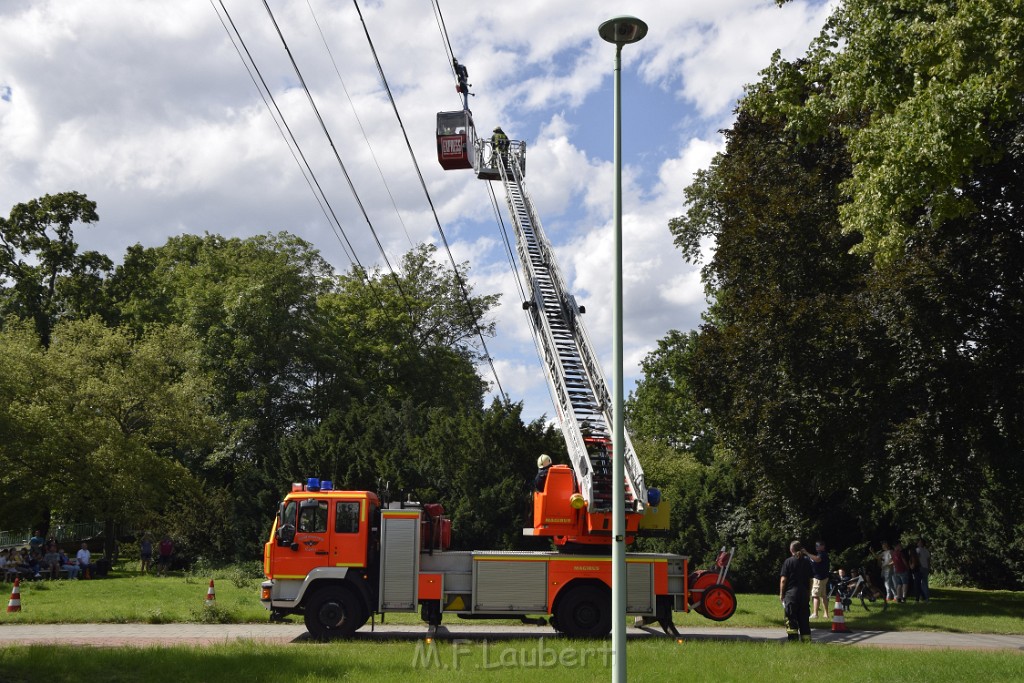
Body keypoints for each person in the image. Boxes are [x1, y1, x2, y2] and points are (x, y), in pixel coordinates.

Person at [779, 540, 813, 642]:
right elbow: (810, 580)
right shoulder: (807, 561)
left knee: (791, 617)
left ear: (791, 549)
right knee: (804, 618)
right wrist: (809, 592)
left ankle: (793, 641)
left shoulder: (788, 561)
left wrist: (781, 594)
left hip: (791, 594)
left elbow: (783, 580)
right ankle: (806, 640)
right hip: (803, 593)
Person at [808, 541, 830, 619]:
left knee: (815, 595)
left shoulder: (822, 554)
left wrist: (807, 553)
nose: (817, 547)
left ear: (823, 546)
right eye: (816, 546)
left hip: (819, 578)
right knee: (823, 596)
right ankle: (826, 614)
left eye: (819, 546)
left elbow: (817, 559)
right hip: (823, 577)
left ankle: (815, 613)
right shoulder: (820, 554)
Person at [916, 538, 931, 603]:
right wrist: (928, 568)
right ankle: (926, 598)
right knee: (925, 584)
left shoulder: (917, 550)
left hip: (920, 568)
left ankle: (920, 597)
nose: (918, 543)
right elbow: (928, 561)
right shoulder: (926, 551)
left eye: (919, 542)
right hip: (925, 568)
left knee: (918, 584)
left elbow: (917, 559)